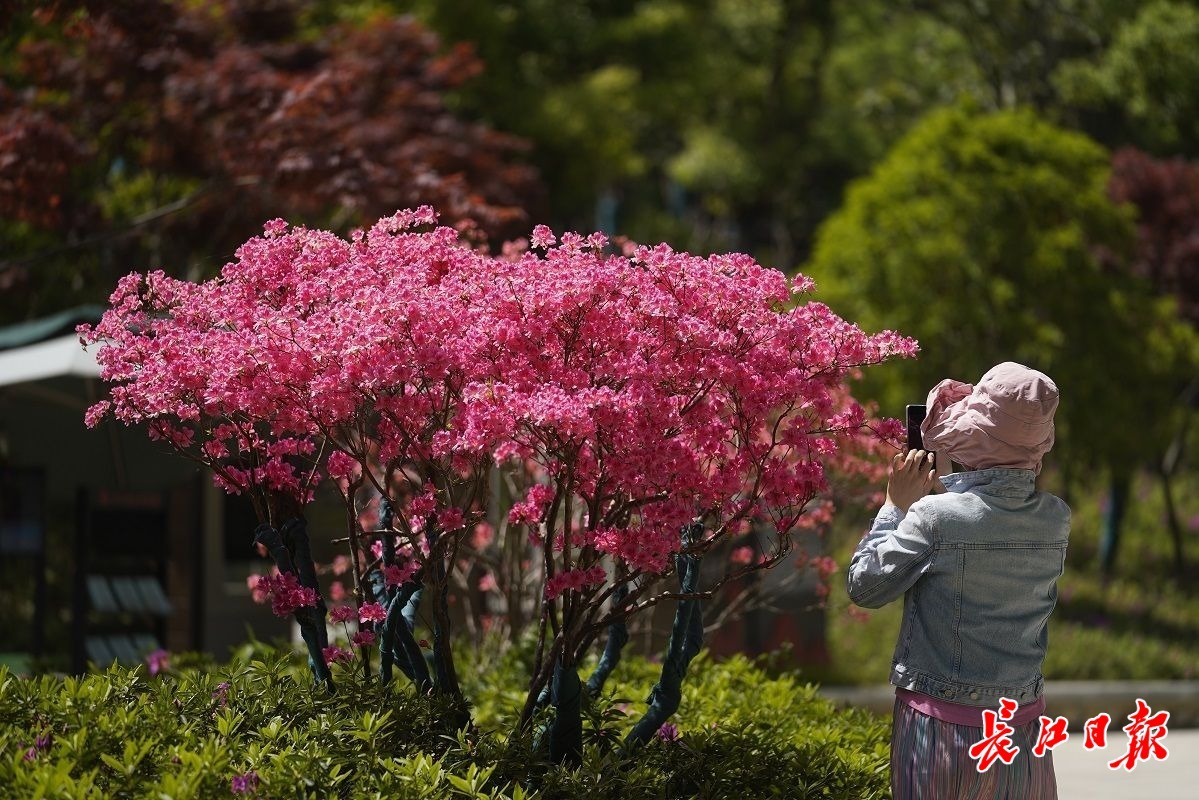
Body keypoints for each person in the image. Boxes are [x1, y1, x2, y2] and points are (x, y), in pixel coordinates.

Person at [847, 362, 1070, 800]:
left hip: (939, 731)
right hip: (1021, 731)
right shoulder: (1056, 518)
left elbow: (864, 586)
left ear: (973, 438)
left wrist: (895, 505)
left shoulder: (935, 517)